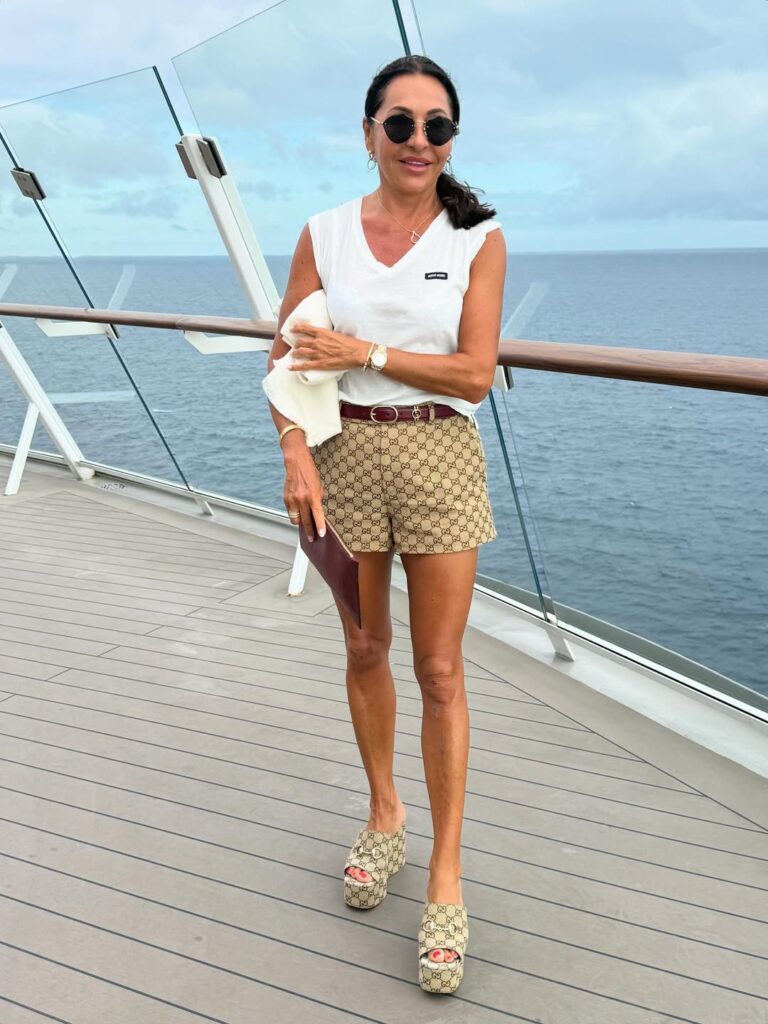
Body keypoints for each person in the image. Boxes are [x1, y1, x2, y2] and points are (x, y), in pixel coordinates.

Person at [265, 54, 505, 995]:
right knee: (366, 648)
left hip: (440, 453)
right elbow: (289, 357)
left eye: (436, 126)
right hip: (343, 455)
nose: (417, 141)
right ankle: (385, 815)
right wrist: (293, 448)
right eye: (399, 124)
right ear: (369, 132)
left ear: (453, 139)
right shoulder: (325, 234)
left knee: (440, 669)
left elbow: (475, 375)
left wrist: (364, 349)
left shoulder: (478, 237)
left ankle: (446, 870)